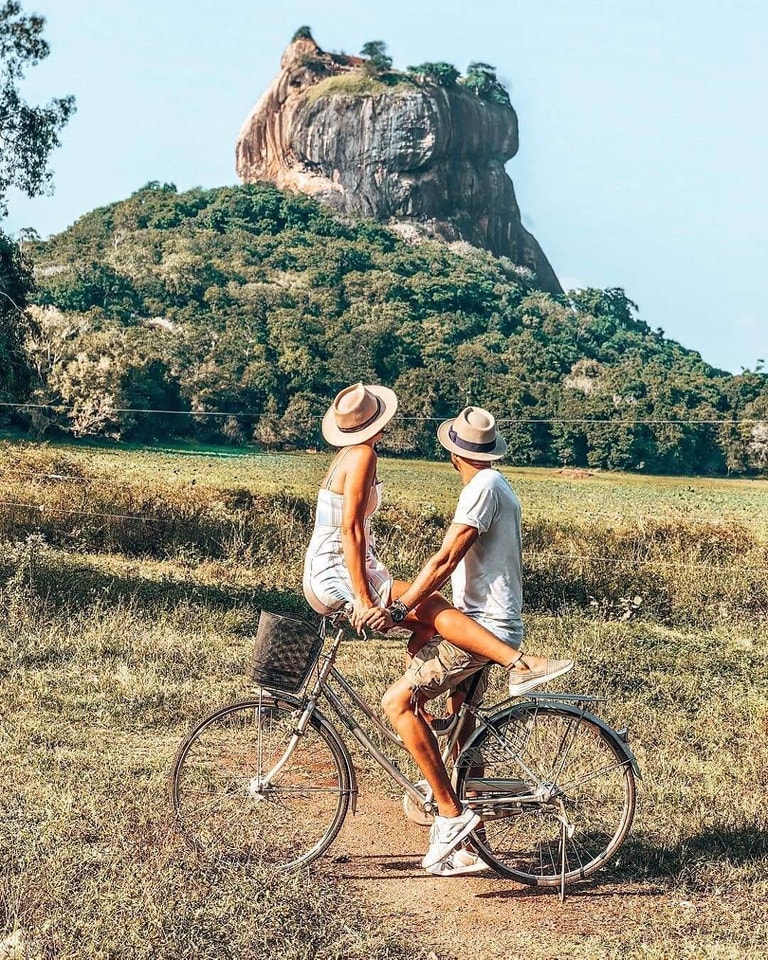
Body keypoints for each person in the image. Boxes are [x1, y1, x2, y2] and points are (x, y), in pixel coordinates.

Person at [303, 386, 573, 873]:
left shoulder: (480, 488)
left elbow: (445, 557)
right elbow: (362, 534)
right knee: (461, 723)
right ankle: (467, 841)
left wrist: (391, 603)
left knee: (397, 700)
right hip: (477, 618)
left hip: (486, 625)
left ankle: (450, 816)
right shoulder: (493, 484)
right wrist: (392, 605)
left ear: (454, 453)